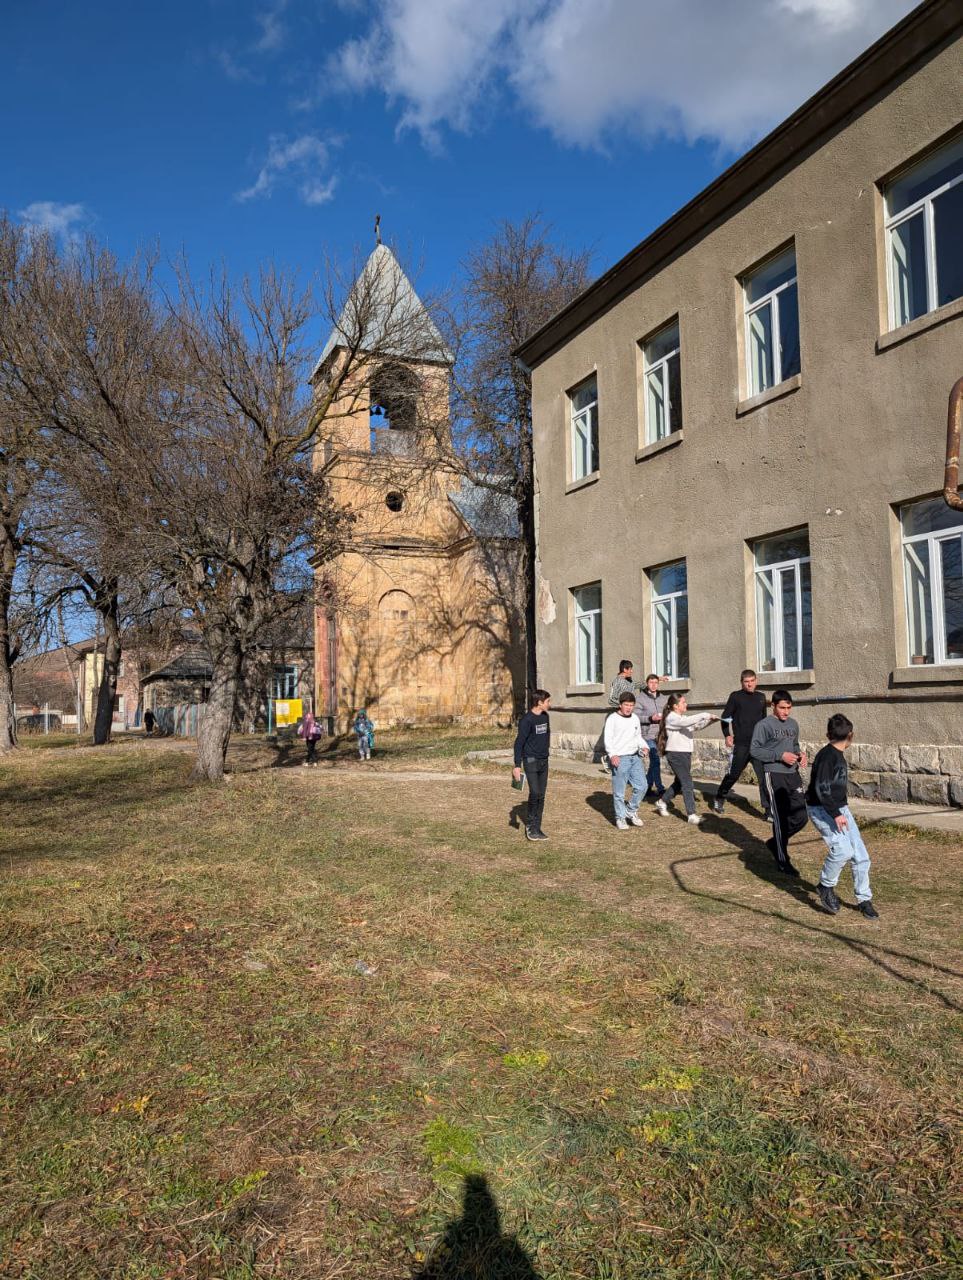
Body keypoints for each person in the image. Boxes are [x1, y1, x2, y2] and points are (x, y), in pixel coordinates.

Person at [807, 714, 879, 919]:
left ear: (827, 734)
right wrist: (835, 814)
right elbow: (822, 789)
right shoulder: (827, 757)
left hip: (839, 809)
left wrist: (840, 811)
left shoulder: (836, 754)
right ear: (851, 736)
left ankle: (864, 898)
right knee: (842, 850)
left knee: (860, 856)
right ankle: (825, 886)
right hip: (822, 810)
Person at [750, 690, 808, 875]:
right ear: (772, 706)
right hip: (774, 775)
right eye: (782, 708)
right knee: (780, 819)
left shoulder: (793, 724)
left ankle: (775, 843)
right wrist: (779, 756)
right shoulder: (763, 725)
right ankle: (783, 861)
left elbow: (795, 745)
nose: (786, 712)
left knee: (801, 816)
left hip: (793, 775)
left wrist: (801, 755)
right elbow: (754, 751)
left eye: (789, 708)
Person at [710, 669, 769, 817]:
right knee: (733, 774)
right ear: (742, 683)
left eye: (752, 681)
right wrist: (727, 735)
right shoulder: (736, 697)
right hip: (742, 745)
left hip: (758, 746)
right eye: (746, 682)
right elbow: (725, 718)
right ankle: (719, 797)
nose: (749, 684)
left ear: (756, 681)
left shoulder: (761, 697)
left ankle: (768, 810)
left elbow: (764, 722)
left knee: (763, 778)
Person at [654, 694, 718, 825]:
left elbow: (695, 726)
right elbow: (686, 723)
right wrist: (704, 714)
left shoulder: (683, 718)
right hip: (675, 754)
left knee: (679, 783)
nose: (686, 704)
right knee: (687, 783)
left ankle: (662, 802)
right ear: (675, 706)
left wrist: (711, 721)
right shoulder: (671, 717)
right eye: (683, 702)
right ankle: (691, 814)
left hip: (685, 753)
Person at [603, 691, 650, 829]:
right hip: (619, 758)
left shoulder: (635, 718)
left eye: (631, 705)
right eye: (626, 705)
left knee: (642, 786)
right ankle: (620, 818)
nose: (629, 708)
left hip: (634, 757)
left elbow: (638, 736)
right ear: (620, 705)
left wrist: (644, 747)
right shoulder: (612, 719)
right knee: (619, 791)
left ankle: (631, 810)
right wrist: (612, 755)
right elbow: (608, 739)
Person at [512, 689, 551, 841]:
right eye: (548, 701)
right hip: (530, 761)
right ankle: (530, 825)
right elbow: (519, 743)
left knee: (541, 794)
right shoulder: (527, 720)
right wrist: (517, 765)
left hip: (544, 761)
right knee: (534, 792)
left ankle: (537, 828)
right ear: (540, 702)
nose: (549, 704)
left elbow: (546, 735)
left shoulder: (545, 717)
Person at [634, 673, 667, 801]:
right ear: (647, 684)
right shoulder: (640, 698)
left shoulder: (663, 698)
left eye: (656, 683)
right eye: (651, 683)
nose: (653, 685)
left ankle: (647, 787)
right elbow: (635, 717)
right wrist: (650, 718)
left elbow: (668, 713)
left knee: (655, 761)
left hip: (661, 735)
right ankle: (660, 788)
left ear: (658, 684)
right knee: (655, 759)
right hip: (647, 734)